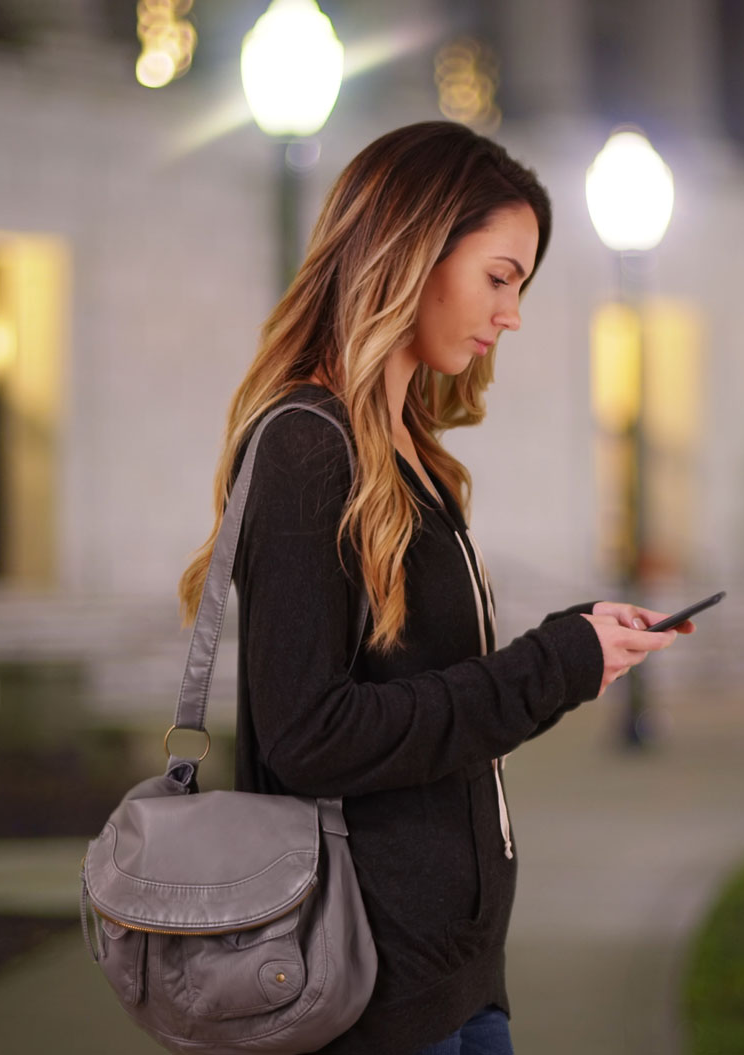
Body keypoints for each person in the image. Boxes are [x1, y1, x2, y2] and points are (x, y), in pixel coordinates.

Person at [176, 121, 693, 1055]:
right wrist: (549, 669)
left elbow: (422, 678)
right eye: (500, 276)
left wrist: (574, 641)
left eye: (523, 285)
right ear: (412, 248)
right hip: (365, 993)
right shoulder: (305, 444)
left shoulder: (410, 454)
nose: (515, 313)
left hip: (453, 972)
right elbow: (310, 737)